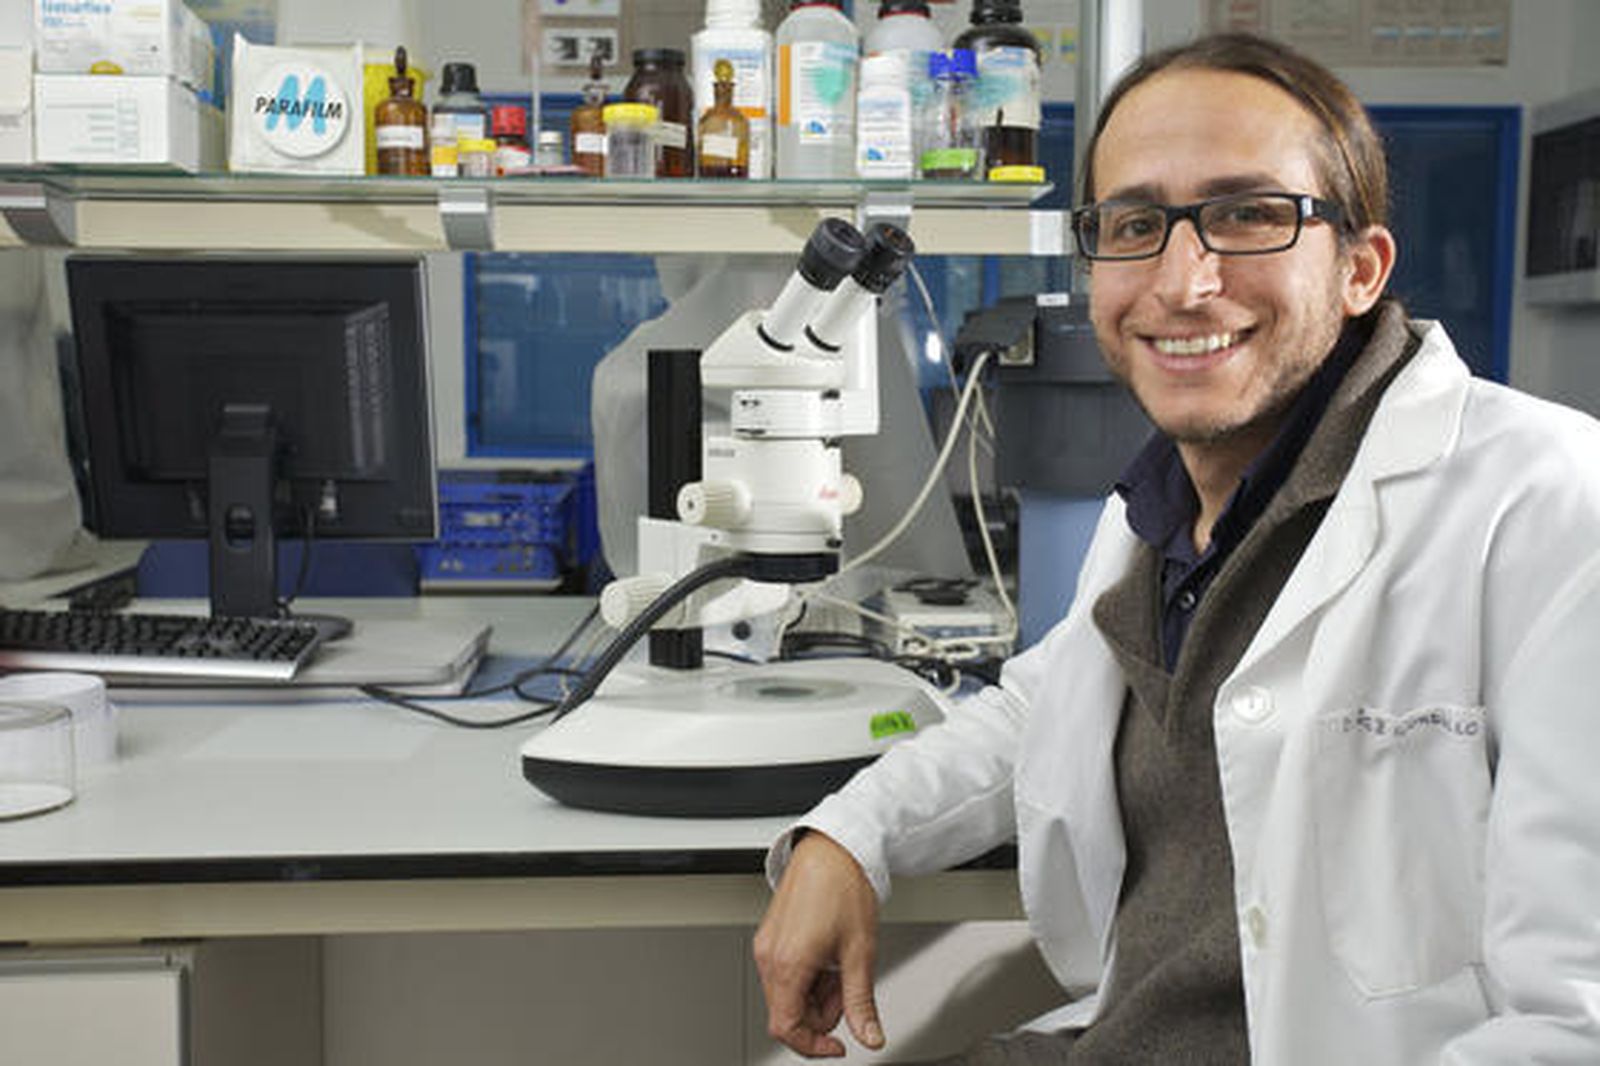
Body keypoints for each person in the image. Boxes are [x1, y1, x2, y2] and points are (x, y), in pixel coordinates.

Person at [753, 31, 1600, 1066]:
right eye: (1137, 223)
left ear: (1360, 269)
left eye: (1249, 214)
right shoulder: (1161, 500)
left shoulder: (1553, 507)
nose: (1184, 279)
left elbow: (1574, 1022)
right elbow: (1044, 708)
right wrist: (850, 833)